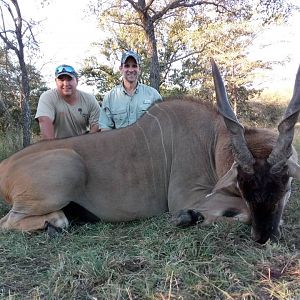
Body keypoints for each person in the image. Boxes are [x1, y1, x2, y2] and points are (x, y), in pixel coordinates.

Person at [99, 50, 162, 130]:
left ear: (139, 69)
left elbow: (162, 125)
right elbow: (105, 128)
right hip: (120, 142)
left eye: (134, 66)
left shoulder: (153, 95)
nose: (131, 70)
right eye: (127, 66)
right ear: (121, 69)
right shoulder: (110, 98)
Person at [35, 64, 100, 140]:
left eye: (69, 79)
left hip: (83, 143)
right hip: (57, 144)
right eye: (61, 80)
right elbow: (44, 120)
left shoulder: (89, 99)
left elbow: (96, 125)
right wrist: (52, 147)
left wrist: (87, 142)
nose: (66, 84)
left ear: (77, 81)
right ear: (56, 81)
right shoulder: (47, 97)